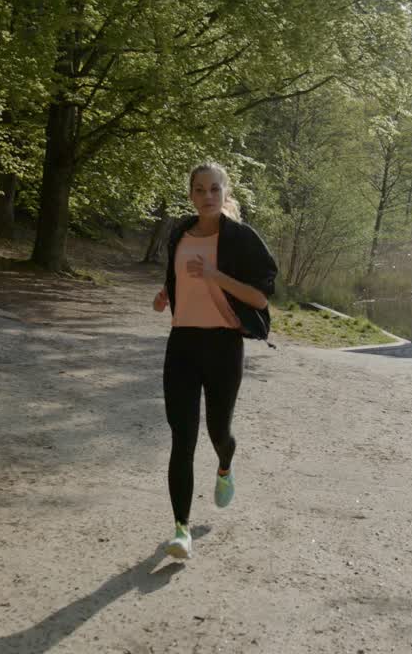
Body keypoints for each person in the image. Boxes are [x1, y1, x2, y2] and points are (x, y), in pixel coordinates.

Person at [152, 161, 277, 559]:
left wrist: (214, 275)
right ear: (190, 194)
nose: (207, 197)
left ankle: (225, 465)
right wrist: (167, 293)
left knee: (218, 432)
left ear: (225, 194)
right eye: (199, 189)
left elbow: (259, 298)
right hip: (182, 345)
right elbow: (178, 275)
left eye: (214, 190)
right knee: (182, 438)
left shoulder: (240, 238)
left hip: (224, 347)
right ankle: (180, 530)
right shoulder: (180, 233)